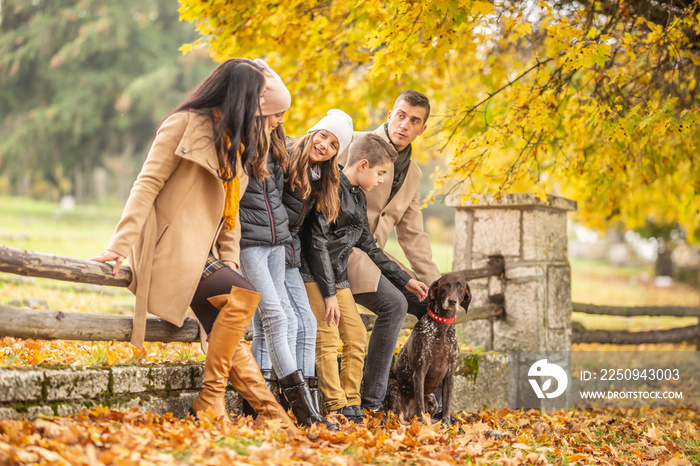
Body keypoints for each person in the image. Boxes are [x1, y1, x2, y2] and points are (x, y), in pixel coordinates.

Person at [90, 58, 296, 432]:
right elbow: (146, 185)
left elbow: (228, 213)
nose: (263, 105)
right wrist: (119, 245)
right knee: (244, 298)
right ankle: (213, 399)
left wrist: (230, 259)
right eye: (259, 95)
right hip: (169, 245)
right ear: (240, 93)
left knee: (228, 324)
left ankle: (264, 411)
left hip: (206, 253)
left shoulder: (234, 141)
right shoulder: (182, 125)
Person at [237, 60, 337, 430]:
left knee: (277, 324)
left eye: (283, 114)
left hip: (278, 244)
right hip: (249, 242)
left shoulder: (276, 143)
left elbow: (278, 199)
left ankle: (267, 406)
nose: (280, 120)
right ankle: (302, 411)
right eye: (276, 112)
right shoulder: (240, 140)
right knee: (278, 319)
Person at [301, 133, 429, 423]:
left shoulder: (358, 197)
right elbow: (316, 243)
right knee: (329, 337)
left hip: (338, 277)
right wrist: (329, 293)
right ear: (362, 165)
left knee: (357, 336)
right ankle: (334, 406)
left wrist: (405, 279)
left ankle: (352, 404)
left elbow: (369, 246)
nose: (382, 180)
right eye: (380, 173)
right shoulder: (330, 190)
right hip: (315, 276)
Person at [336, 90, 442, 416]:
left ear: (422, 129)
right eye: (400, 115)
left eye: (414, 120)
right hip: (342, 251)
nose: (404, 124)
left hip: (375, 258)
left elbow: (412, 234)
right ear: (390, 112)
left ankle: (411, 389)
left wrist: (434, 284)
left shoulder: (414, 174)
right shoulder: (353, 142)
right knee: (394, 305)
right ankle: (373, 404)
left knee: (429, 308)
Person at [281, 109, 354, 410]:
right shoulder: (284, 157)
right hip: (260, 247)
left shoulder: (321, 181)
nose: (325, 145)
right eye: (323, 135)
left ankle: (307, 403)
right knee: (281, 321)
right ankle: (278, 399)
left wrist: (329, 293)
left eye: (335, 144)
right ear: (313, 131)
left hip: (289, 255)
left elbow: (314, 239)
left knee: (306, 325)